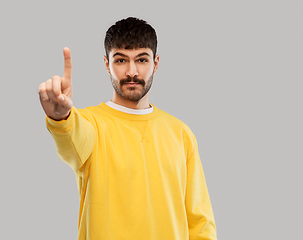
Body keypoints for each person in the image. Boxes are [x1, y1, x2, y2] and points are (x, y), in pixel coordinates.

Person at [38, 17, 217, 240]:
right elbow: (72, 140)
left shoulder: (181, 133)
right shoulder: (90, 123)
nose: (132, 72)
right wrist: (61, 116)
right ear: (107, 64)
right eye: (121, 60)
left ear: (156, 63)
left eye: (142, 60)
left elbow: (200, 221)